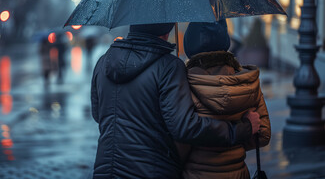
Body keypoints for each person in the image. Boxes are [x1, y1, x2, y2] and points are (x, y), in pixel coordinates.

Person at [90, 23, 260, 178]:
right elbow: (185, 127)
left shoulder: (103, 62)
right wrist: (240, 129)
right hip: (151, 171)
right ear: (166, 31)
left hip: (106, 170)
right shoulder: (169, 66)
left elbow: (99, 115)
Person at [177, 20, 271, 178]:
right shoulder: (248, 81)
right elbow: (263, 135)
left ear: (190, 43)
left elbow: (180, 142)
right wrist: (237, 139)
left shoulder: (184, 83)